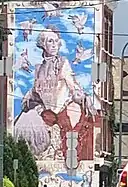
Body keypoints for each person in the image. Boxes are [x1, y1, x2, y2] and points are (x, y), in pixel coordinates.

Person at [15, 25, 97, 161]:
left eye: (56, 41)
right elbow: (35, 91)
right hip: (45, 114)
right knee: (24, 124)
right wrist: (28, 100)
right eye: (49, 41)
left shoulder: (63, 64)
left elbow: (72, 83)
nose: (54, 45)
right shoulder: (39, 68)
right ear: (42, 44)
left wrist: (81, 96)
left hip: (60, 111)